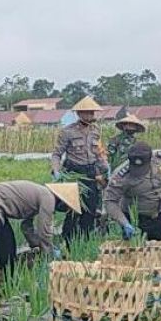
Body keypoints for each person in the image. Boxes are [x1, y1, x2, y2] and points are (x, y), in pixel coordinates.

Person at [0, 182, 81, 280]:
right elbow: (44, 231)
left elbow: (26, 226)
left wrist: (35, 244)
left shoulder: (39, 195)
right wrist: (48, 255)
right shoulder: (48, 198)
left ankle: (8, 280)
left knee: (8, 246)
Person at [53, 96, 109, 240]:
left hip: (90, 173)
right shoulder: (67, 132)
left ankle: (85, 240)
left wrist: (104, 169)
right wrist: (57, 171)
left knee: (90, 211)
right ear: (79, 113)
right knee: (73, 210)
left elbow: (99, 153)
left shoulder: (96, 130)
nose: (90, 116)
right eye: (87, 113)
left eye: (92, 113)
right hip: (74, 173)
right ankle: (67, 240)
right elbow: (57, 154)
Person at [104, 141, 161, 242]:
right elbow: (110, 201)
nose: (139, 172)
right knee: (136, 253)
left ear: (150, 160)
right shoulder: (121, 176)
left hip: (159, 216)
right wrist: (124, 223)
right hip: (135, 220)